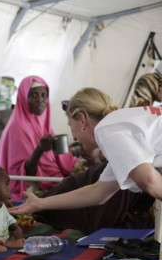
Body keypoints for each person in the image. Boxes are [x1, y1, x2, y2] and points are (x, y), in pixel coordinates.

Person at [9, 87, 162, 219]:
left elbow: (148, 180)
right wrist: (40, 203)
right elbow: (99, 192)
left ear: (82, 120)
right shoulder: (120, 123)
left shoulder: (107, 129)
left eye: (70, 124)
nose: (73, 136)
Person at [0, 75, 79, 201]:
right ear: (24, 98)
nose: (40, 100)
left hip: (50, 178)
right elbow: (26, 173)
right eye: (34, 95)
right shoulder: (17, 128)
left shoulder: (43, 123)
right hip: (31, 185)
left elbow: (54, 158)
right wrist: (39, 149)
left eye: (43, 95)